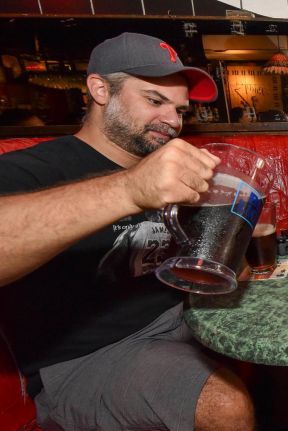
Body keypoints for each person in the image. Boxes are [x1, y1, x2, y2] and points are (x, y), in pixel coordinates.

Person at [0, 33, 256, 430]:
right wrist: (129, 189)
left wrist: (229, 244)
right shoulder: (34, 169)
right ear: (100, 89)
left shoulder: (173, 172)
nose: (173, 121)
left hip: (185, 320)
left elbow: (223, 272)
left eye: (180, 109)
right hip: (90, 358)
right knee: (225, 405)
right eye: (154, 100)